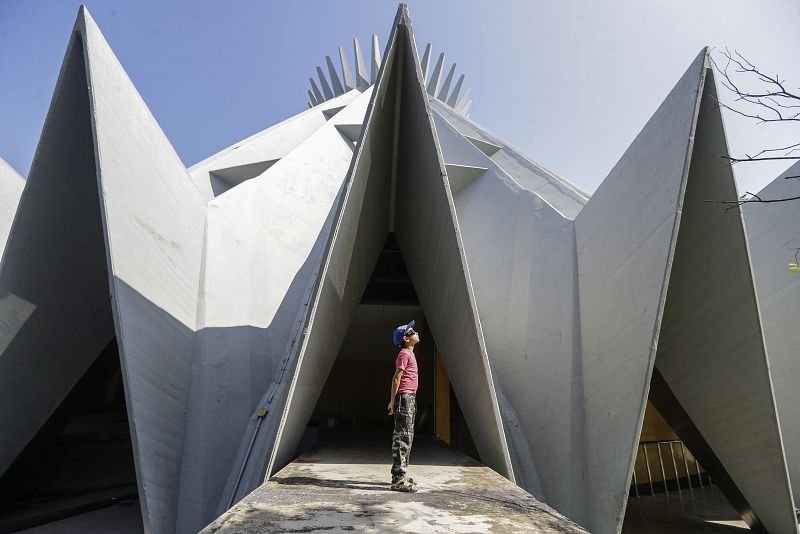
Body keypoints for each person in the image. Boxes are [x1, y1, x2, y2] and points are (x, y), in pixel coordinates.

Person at [387, 320, 420, 492]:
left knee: (408, 436)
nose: (416, 332)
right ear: (406, 339)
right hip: (404, 398)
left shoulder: (409, 353)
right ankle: (398, 478)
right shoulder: (404, 354)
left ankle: (402, 473)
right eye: (412, 331)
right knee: (402, 437)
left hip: (409, 398)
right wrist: (393, 401)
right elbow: (396, 378)